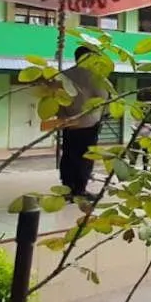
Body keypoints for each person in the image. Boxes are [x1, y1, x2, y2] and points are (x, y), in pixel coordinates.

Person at [57, 46, 110, 203]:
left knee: (68, 155)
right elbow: (104, 98)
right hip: (88, 123)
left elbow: (57, 100)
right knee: (85, 157)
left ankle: (67, 188)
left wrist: (63, 118)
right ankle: (80, 190)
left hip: (68, 122)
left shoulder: (64, 75)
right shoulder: (96, 77)